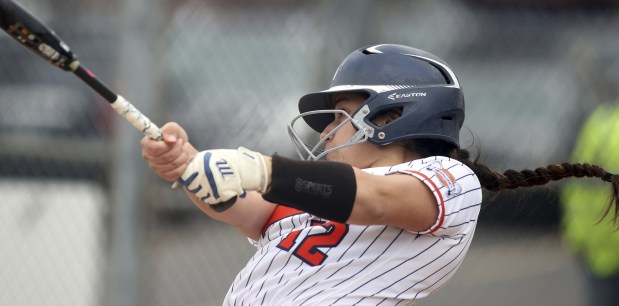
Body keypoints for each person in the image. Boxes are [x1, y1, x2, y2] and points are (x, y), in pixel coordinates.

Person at [141, 44, 619, 305]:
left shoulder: (450, 179)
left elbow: (376, 200)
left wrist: (259, 168)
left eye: (339, 115)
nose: (327, 132)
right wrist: (189, 166)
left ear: (392, 117)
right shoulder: (322, 194)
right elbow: (246, 207)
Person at [561, 99, 619, 306]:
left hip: (598, 251)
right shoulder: (600, 123)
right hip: (600, 252)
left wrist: (576, 237)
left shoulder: (600, 123)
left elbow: (577, 189)